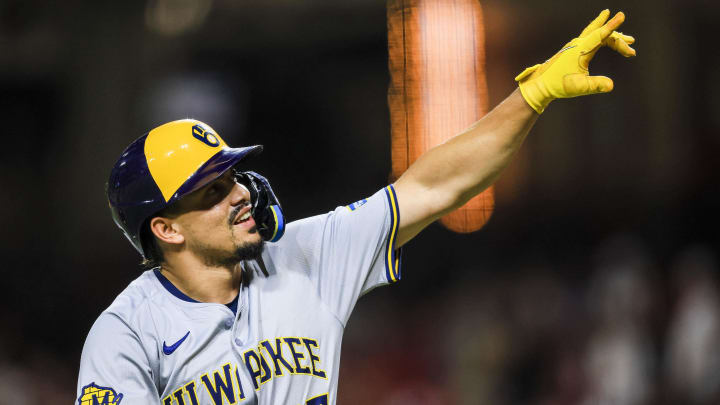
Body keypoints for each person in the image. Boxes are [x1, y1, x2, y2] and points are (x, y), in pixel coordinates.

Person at [76, 9, 635, 405]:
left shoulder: (303, 255)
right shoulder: (126, 333)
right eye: (212, 191)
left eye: (233, 177)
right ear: (166, 229)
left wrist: (531, 97)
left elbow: (434, 187)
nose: (241, 193)